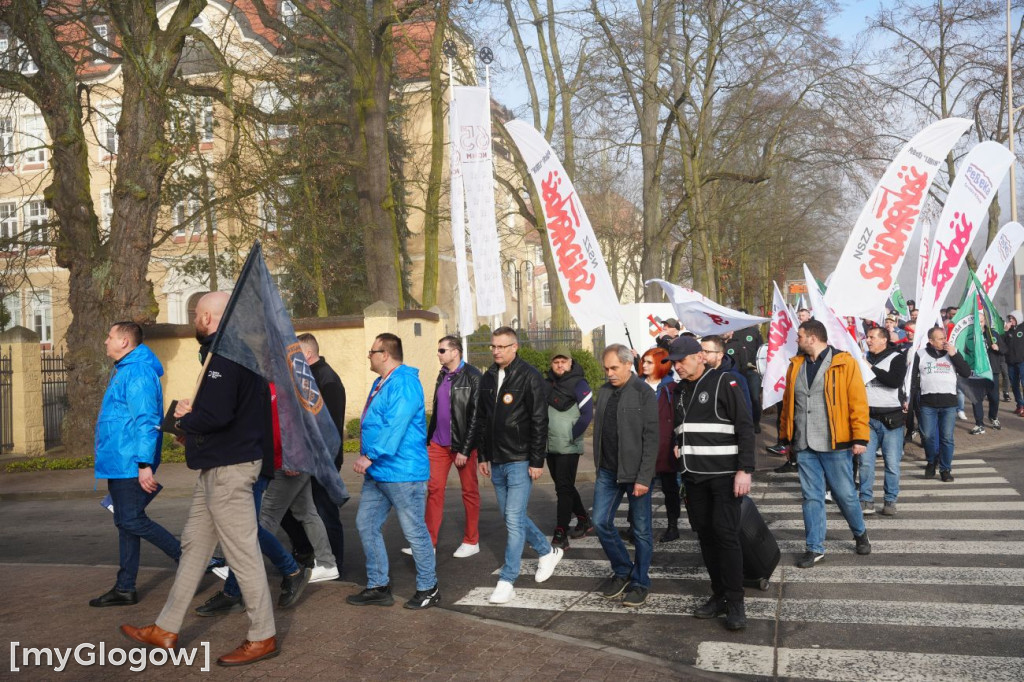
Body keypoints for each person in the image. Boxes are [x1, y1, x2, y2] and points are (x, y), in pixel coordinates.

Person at [121, 292, 279, 667]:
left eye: (196, 314)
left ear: (207, 317)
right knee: (194, 546)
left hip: (229, 470)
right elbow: (227, 412)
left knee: (243, 554)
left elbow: (217, 415)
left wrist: (184, 422)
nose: (194, 319)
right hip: (219, 466)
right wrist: (193, 419)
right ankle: (165, 629)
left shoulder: (224, 355)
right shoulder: (229, 352)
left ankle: (263, 635)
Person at [198, 383, 312, 616]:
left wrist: (292, 455)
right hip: (240, 461)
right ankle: (235, 592)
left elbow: (293, 423)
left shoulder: (269, 385)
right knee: (241, 529)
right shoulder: (246, 382)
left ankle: (290, 570)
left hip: (254, 463)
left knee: (245, 529)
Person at [90, 321, 181, 608]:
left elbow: (147, 421)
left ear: (124, 342)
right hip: (121, 461)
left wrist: (144, 464)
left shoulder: (137, 372)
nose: (106, 341)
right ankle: (125, 587)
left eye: (109, 336)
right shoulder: (125, 370)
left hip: (130, 462)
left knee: (131, 520)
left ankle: (189, 558)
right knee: (126, 523)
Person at [347, 333, 439, 610]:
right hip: (381, 472)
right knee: (366, 524)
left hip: (402, 473)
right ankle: (378, 585)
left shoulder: (405, 383)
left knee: (415, 531)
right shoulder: (383, 382)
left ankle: (429, 588)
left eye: (372, 351)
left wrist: (370, 455)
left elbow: (395, 425)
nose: (369, 355)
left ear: (385, 354)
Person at [670, 336, 754, 631]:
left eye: (681, 360)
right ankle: (718, 595)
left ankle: (736, 602)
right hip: (693, 476)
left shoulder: (723, 382)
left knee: (725, 536)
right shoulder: (679, 390)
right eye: (673, 362)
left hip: (723, 476)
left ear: (699, 357)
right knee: (705, 537)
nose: (677, 366)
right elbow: (682, 427)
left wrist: (745, 470)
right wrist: (677, 445)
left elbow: (744, 426)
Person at [476, 327, 563, 604]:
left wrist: (537, 460)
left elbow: (539, 420)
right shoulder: (488, 377)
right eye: (493, 346)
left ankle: (507, 579)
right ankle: (547, 551)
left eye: (502, 346)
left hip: (520, 458)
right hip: (496, 459)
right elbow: (482, 419)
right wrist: (482, 455)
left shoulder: (529, 376)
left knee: (513, 518)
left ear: (515, 347)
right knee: (510, 516)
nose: (496, 351)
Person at [779, 319, 871, 568]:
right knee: (811, 496)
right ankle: (814, 547)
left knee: (845, 494)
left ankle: (860, 532)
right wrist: (785, 437)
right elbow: (788, 403)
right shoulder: (795, 365)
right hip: (804, 442)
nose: (796, 340)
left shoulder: (844, 363)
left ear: (812, 338)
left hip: (835, 442)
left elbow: (858, 401)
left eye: (800, 336)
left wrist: (860, 437)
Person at [591, 344, 659, 607]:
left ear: (628, 365)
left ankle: (641, 582)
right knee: (600, 522)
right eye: (606, 368)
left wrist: (644, 477)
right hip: (608, 471)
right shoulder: (605, 391)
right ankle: (622, 569)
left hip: (635, 474)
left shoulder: (643, 392)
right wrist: (599, 465)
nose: (609, 373)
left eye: (614, 368)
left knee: (641, 531)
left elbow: (651, 438)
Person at [280, 333, 347, 576]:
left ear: (307, 354)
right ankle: (308, 552)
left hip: (323, 460)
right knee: (292, 509)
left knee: (325, 513)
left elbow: (329, 426)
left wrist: (323, 459)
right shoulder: (308, 376)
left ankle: (334, 564)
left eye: (294, 354)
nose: (290, 359)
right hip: (306, 458)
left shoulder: (327, 380)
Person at [420, 335, 482, 558]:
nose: (438, 354)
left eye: (442, 350)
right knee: (434, 490)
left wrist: (465, 449)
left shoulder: (474, 376)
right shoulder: (442, 375)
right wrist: (429, 440)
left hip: (462, 446)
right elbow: (439, 410)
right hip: (438, 444)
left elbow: (476, 416)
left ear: (455, 352)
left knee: (469, 491)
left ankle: (471, 540)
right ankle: (429, 544)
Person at [545, 346, 594, 550]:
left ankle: (561, 531)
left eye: (563, 361)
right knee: (563, 486)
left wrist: (572, 435)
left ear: (570, 362)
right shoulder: (547, 383)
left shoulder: (579, 383)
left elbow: (587, 414)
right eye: (556, 362)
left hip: (568, 446)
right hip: (549, 445)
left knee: (563, 489)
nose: (560, 365)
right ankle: (583, 518)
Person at [859, 328, 907, 517]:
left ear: (884, 340)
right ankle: (866, 499)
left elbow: (894, 381)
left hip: (891, 419)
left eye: (872, 337)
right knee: (865, 462)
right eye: (867, 337)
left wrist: (871, 368)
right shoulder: (863, 357)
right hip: (867, 418)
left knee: (892, 463)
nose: (868, 340)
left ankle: (890, 500)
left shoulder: (897, 357)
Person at [913, 326, 971, 481]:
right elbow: (912, 379)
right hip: (928, 402)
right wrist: (909, 399)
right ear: (931, 341)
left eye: (945, 337)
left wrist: (954, 355)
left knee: (947, 437)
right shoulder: (920, 354)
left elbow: (966, 372)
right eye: (940, 338)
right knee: (927, 436)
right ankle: (931, 461)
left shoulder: (952, 352)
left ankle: (945, 469)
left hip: (949, 403)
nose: (944, 341)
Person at [641, 347, 681, 542]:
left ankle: (673, 526)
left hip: (666, 445)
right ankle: (638, 527)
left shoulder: (672, 388)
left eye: (649, 362)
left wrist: (677, 442)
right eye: (644, 361)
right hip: (642, 445)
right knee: (640, 489)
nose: (644, 365)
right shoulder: (637, 385)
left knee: (670, 488)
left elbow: (678, 417)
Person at [1003, 311, 1024, 416]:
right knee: (1014, 385)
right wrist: (1005, 331)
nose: (1011, 320)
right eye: (1010, 318)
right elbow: (1002, 343)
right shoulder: (1008, 330)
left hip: (1022, 361)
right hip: (1011, 361)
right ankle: (1020, 405)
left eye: (1013, 318)